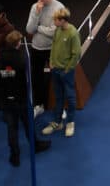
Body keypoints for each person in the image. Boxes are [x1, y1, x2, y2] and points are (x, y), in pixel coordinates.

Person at [0, 31, 52, 167]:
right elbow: (27, 79)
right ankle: (35, 145)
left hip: (6, 99)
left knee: (12, 128)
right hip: (21, 99)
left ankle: (14, 155)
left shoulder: (0, 58)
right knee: (28, 123)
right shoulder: (22, 59)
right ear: (18, 44)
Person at [26, 0, 64, 119]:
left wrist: (39, 28)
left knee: (58, 78)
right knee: (36, 79)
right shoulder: (34, 7)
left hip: (53, 49)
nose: (40, 0)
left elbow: (55, 32)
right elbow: (29, 30)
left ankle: (60, 107)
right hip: (36, 48)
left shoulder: (59, 8)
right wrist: (36, 14)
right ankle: (39, 105)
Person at [41, 8, 80, 138]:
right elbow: (53, 47)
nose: (54, 22)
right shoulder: (57, 30)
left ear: (62, 20)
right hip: (55, 70)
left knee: (70, 98)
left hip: (66, 72)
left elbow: (76, 54)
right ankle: (57, 122)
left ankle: (70, 123)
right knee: (58, 98)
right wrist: (51, 62)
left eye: (56, 20)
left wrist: (68, 69)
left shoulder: (73, 33)